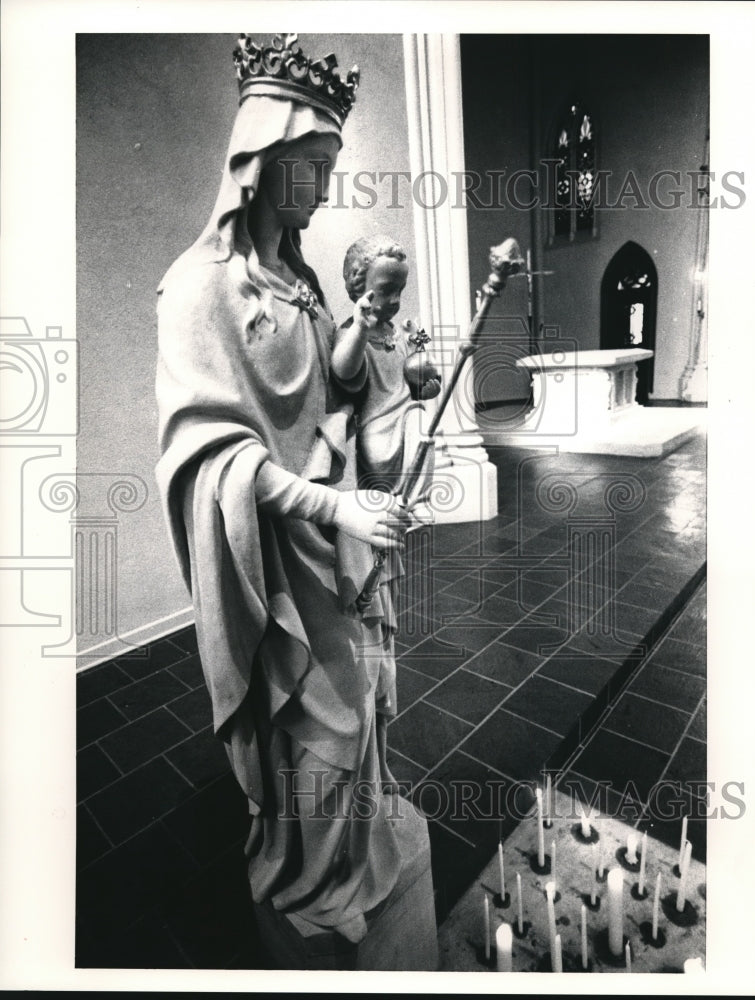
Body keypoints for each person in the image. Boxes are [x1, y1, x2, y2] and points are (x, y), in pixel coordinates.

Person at [154, 33, 429, 946]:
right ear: (261, 161)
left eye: (327, 170)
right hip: (270, 554)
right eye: (309, 168)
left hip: (335, 539)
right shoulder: (198, 290)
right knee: (316, 714)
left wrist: (389, 368)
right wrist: (335, 504)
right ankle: (310, 875)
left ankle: (351, 853)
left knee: (361, 704)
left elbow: (330, 397)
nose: (319, 190)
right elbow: (216, 450)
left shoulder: (304, 284)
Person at [335, 235, 441, 495]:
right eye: (386, 290)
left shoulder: (399, 334)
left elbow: (418, 378)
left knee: (420, 421)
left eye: (400, 291)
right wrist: (360, 328)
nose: (395, 300)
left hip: (408, 419)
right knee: (387, 450)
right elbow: (342, 371)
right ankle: (399, 507)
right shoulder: (351, 334)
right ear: (359, 287)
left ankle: (414, 503)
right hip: (376, 428)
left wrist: (429, 385)